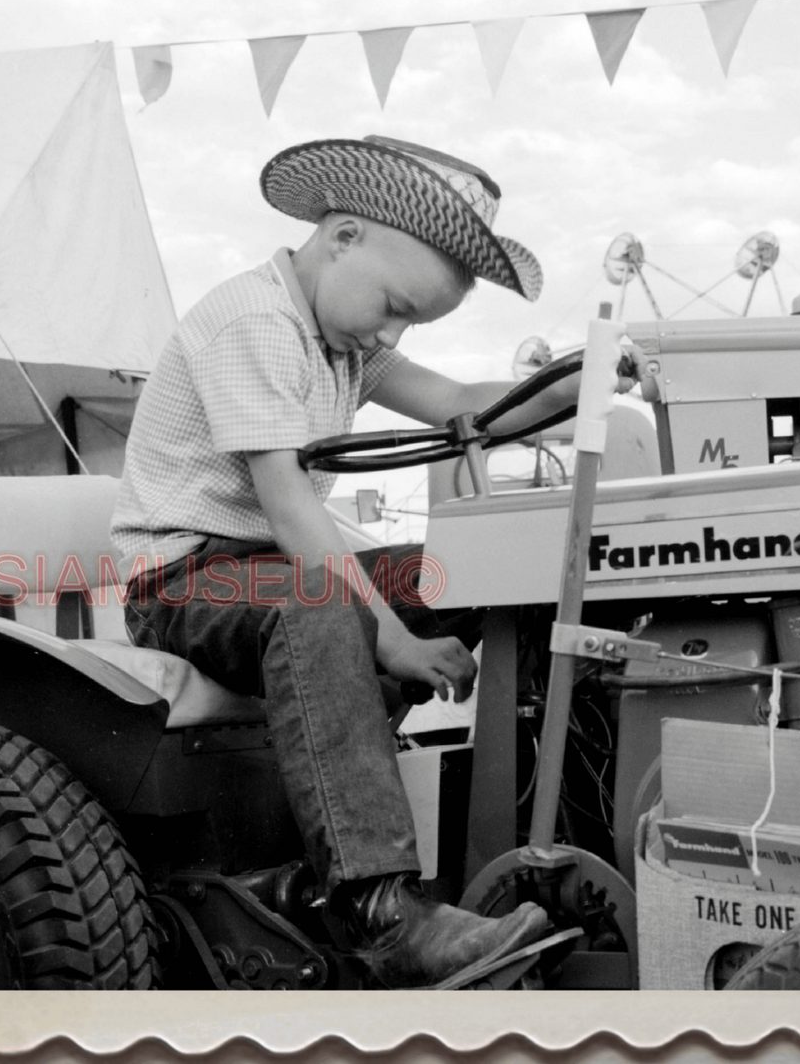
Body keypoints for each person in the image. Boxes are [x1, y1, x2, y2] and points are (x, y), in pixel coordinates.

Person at [111, 135, 630, 988]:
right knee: (320, 603)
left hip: (277, 566)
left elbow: (467, 406)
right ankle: (379, 912)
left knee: (468, 566)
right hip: (187, 573)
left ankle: (543, 817)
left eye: (411, 323)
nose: (392, 332)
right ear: (343, 234)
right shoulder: (253, 320)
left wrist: (584, 380)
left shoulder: (343, 336)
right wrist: (391, 640)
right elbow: (291, 509)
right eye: (395, 306)